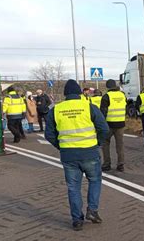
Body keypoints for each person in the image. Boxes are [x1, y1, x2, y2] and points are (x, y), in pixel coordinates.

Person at [45, 79, 109, 231]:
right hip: (89, 152)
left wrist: (60, 146)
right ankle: (92, 211)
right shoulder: (89, 107)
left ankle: (77, 220)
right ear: (80, 93)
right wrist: (97, 143)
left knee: (73, 187)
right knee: (94, 180)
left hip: (69, 155)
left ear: (65, 94)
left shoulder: (56, 110)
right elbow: (104, 129)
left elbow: (49, 134)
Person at [100, 79, 127, 172]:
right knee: (120, 145)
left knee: (105, 143)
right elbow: (125, 108)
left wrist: (101, 126)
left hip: (109, 124)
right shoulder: (123, 95)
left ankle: (107, 164)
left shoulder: (106, 97)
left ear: (108, 87)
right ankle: (121, 165)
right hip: (121, 124)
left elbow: (103, 113)